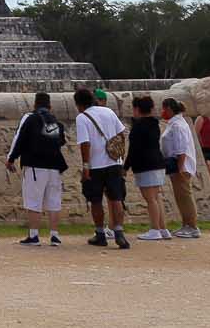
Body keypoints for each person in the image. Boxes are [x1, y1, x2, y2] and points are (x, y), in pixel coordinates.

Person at [5, 90, 68, 246]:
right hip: (54, 165)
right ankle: (54, 235)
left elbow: (20, 140)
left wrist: (11, 159)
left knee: (34, 199)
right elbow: (60, 141)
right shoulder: (55, 122)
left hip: (35, 164)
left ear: (34, 104)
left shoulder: (32, 120)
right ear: (50, 106)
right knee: (53, 201)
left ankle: (34, 235)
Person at [74, 86, 130, 249]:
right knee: (116, 198)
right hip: (113, 162)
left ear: (79, 104)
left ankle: (100, 233)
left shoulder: (82, 118)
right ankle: (119, 232)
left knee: (96, 200)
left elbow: (85, 143)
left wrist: (85, 166)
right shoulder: (109, 112)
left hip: (95, 165)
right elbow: (121, 134)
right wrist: (120, 155)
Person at [127, 94, 172, 240]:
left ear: (137, 109)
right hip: (157, 163)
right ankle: (163, 228)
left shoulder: (138, 127)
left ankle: (154, 229)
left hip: (146, 165)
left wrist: (125, 166)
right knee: (156, 197)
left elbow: (133, 150)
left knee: (150, 198)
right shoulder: (154, 124)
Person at [158, 97, 202, 238]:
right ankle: (186, 224)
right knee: (180, 196)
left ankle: (192, 226)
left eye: (164, 109)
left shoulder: (177, 125)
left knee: (185, 196)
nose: (162, 112)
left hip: (180, 165)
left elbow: (181, 148)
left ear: (169, 109)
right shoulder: (175, 123)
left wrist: (181, 166)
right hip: (176, 164)